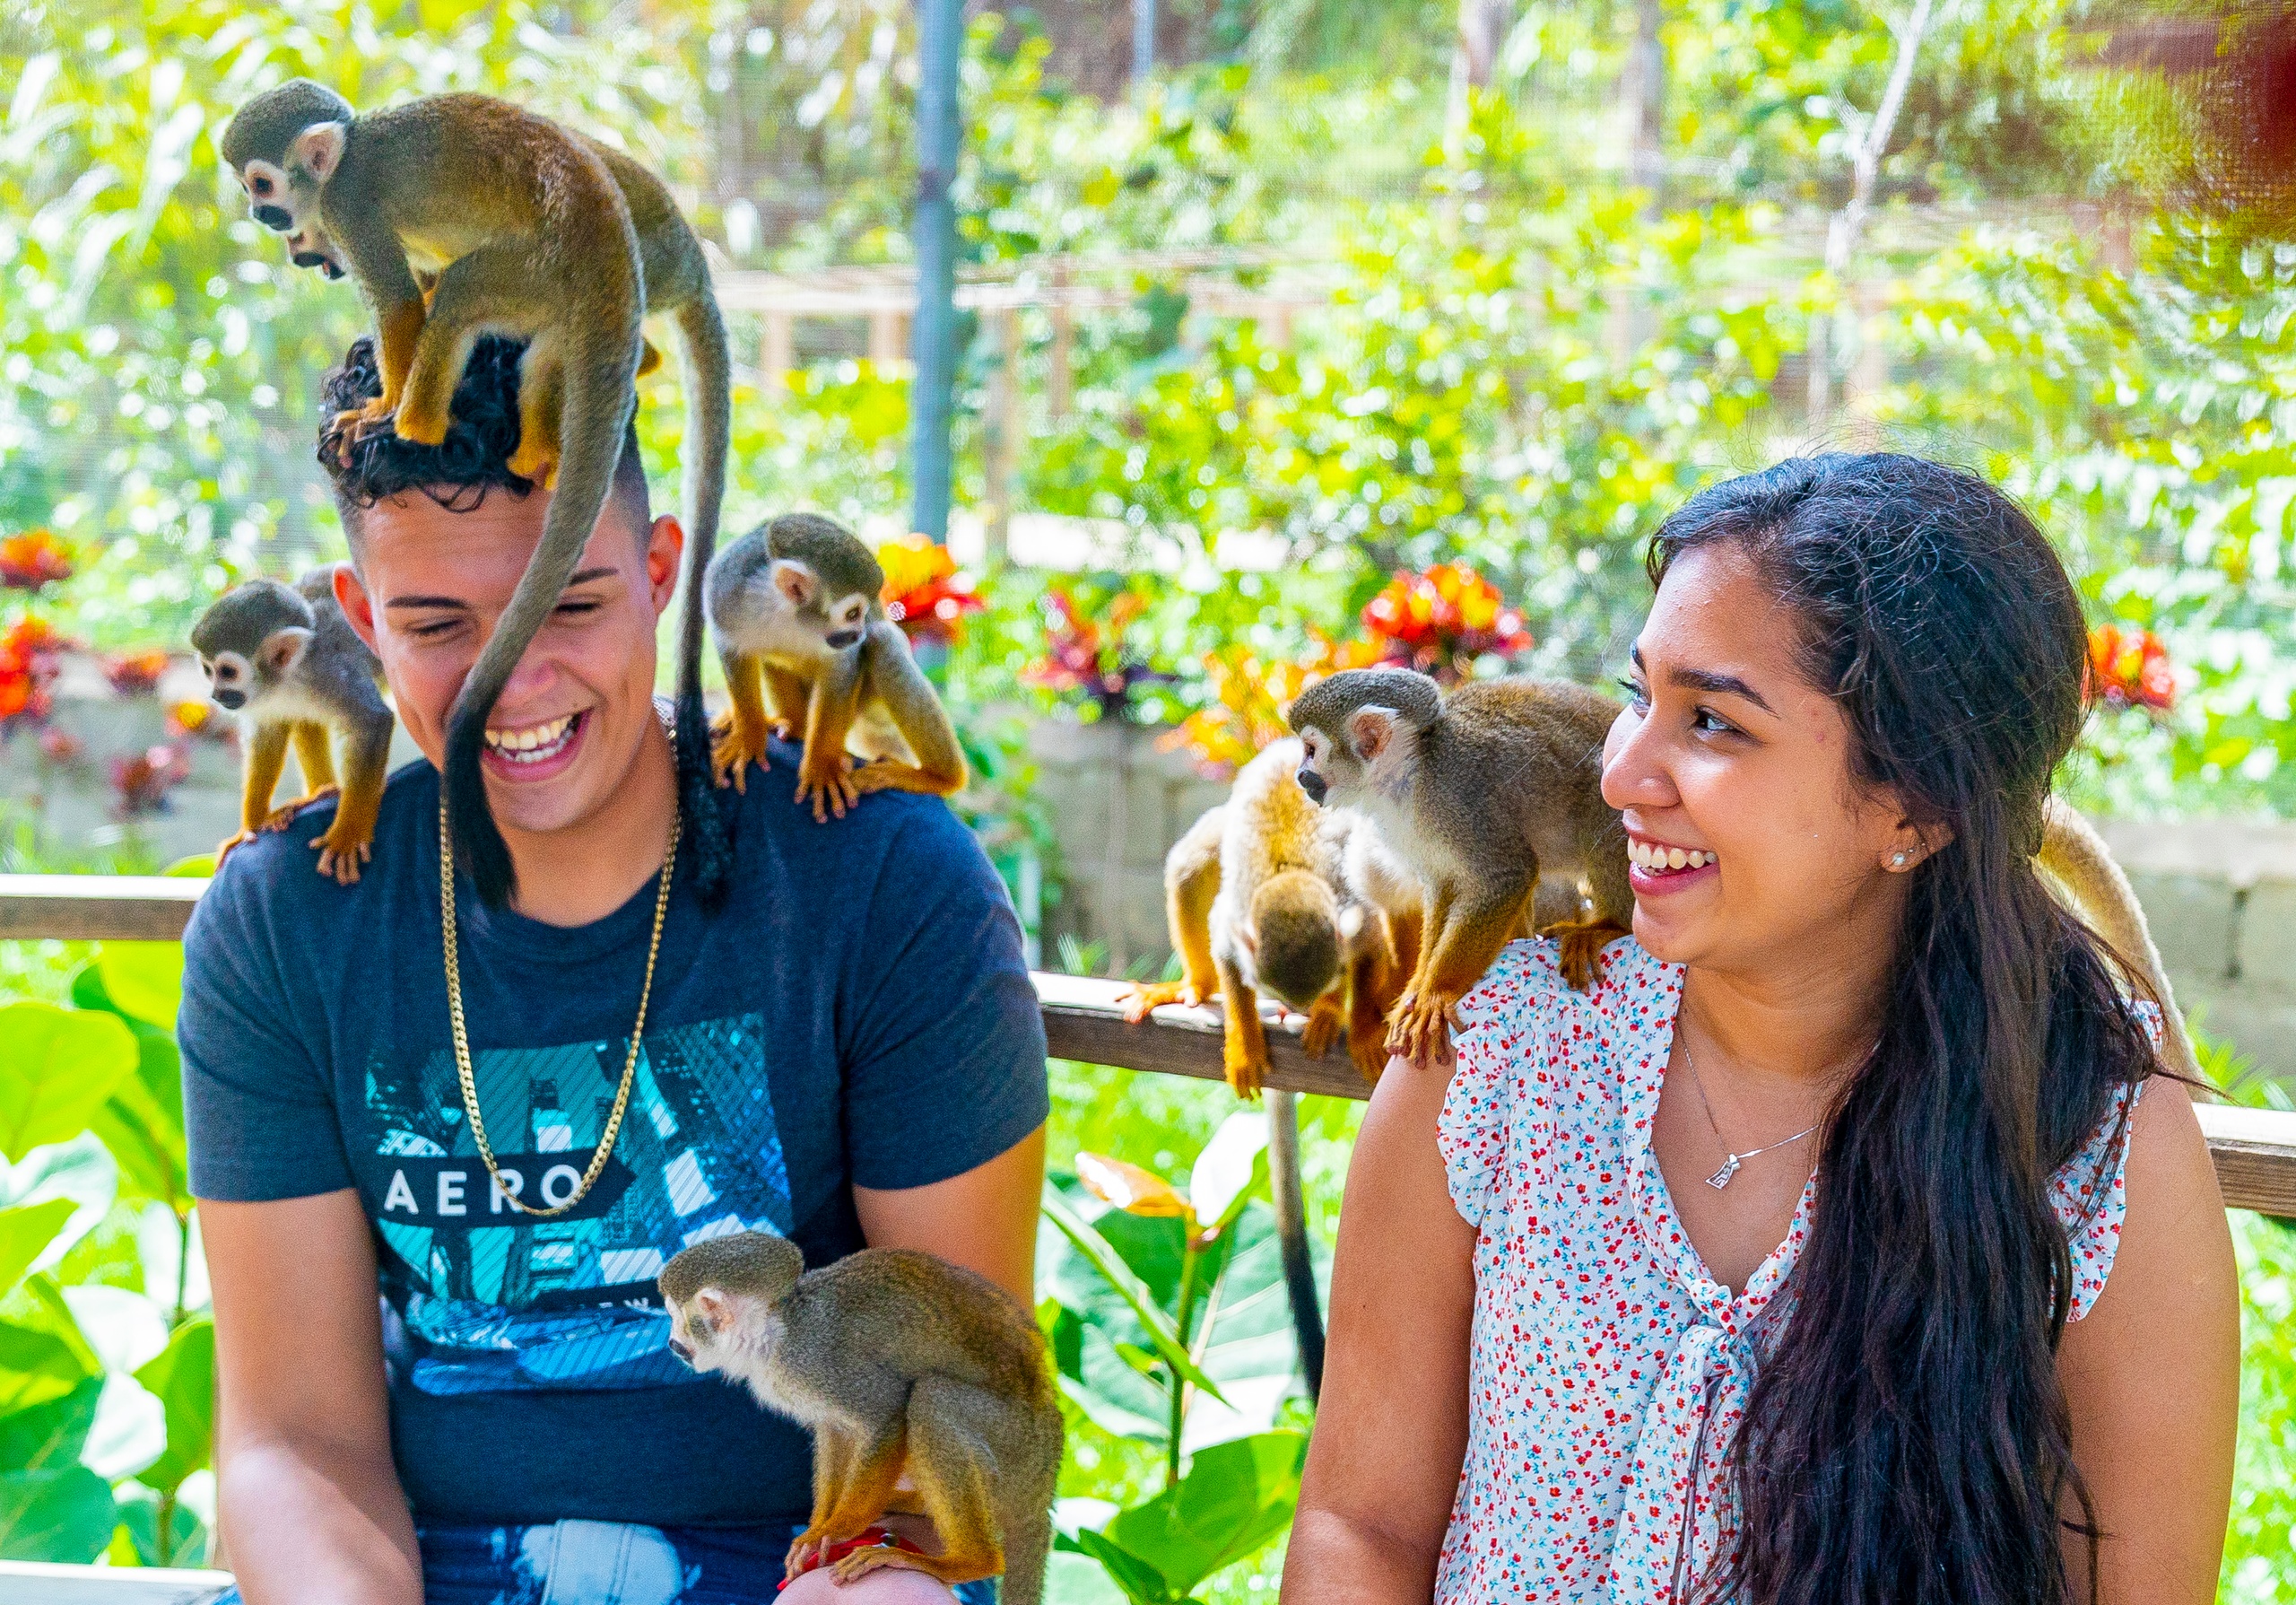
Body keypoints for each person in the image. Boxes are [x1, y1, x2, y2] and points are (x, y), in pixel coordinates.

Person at [179, 334, 1049, 1605]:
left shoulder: (878, 884)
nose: (511, 682)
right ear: (361, 622)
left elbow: (969, 1399)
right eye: (438, 625)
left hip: (812, 1569)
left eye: (569, 605)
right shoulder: (289, 919)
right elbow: (292, 1439)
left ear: (658, 576)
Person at [1281, 454, 2239, 1605]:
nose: (1621, 771)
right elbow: (1360, 1525)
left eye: (1713, 724)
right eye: (1639, 695)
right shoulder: (1500, 1052)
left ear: (1913, 808)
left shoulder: (2089, 1138)